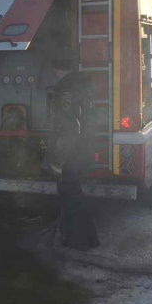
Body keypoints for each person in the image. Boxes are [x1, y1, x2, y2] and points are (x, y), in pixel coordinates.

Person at [44, 49, 100, 251]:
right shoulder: (84, 86)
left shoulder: (65, 90)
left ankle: (80, 241)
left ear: (59, 69)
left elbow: (69, 128)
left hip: (72, 154)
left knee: (70, 197)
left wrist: (59, 160)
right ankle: (87, 239)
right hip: (85, 149)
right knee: (75, 195)